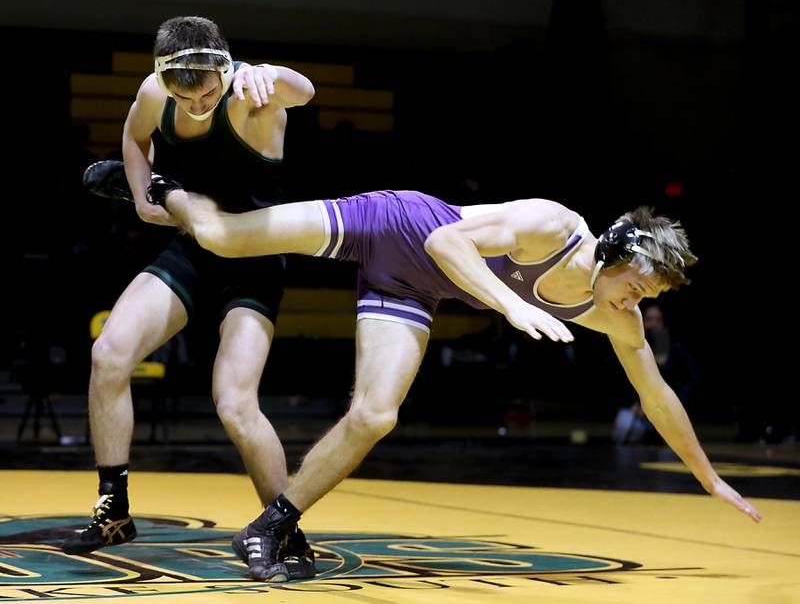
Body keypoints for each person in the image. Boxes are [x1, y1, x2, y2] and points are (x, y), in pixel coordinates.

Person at [93, 173, 763, 582]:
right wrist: (510, 303)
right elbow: (445, 241)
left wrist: (706, 476)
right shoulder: (552, 225)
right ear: (616, 253)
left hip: (411, 290)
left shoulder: (618, 319)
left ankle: (271, 525)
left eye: (647, 299)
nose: (635, 305)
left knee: (376, 416)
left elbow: (656, 394)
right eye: (636, 289)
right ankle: (159, 187)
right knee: (225, 237)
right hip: (397, 222)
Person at [62, 16, 317, 579]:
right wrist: (140, 198)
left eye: (209, 91)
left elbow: (306, 91)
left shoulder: (254, 91)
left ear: (226, 70)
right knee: (109, 355)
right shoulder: (156, 93)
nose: (198, 104)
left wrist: (271, 73)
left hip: (252, 263)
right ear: (163, 77)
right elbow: (134, 138)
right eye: (186, 94)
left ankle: (285, 531)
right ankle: (114, 510)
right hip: (192, 252)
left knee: (234, 402)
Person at [612, 303, 699, 443]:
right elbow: (626, 379)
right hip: (641, 410)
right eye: (649, 319)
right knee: (624, 426)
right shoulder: (633, 345)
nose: (653, 324)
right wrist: (636, 404)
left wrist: (677, 402)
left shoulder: (674, 348)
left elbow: (691, 379)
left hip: (667, 409)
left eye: (657, 320)